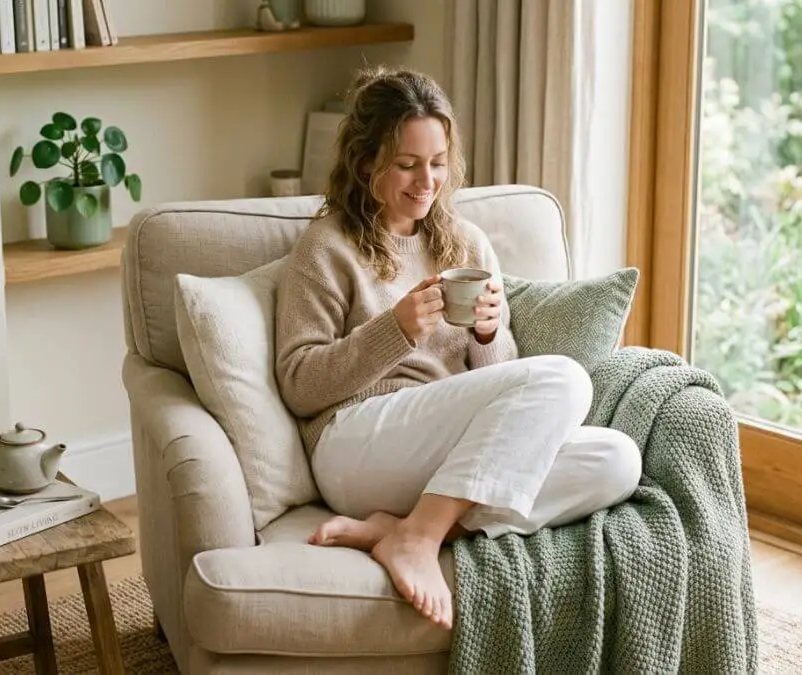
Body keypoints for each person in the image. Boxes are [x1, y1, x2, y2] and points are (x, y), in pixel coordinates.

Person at [273, 66, 642, 631]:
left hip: (442, 459)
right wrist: (393, 330)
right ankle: (419, 537)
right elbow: (299, 385)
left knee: (617, 461)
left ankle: (409, 527)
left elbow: (508, 391)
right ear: (366, 160)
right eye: (407, 164)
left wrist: (489, 336)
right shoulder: (326, 248)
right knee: (564, 379)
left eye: (438, 163)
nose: (427, 181)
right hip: (355, 444)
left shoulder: (466, 242)